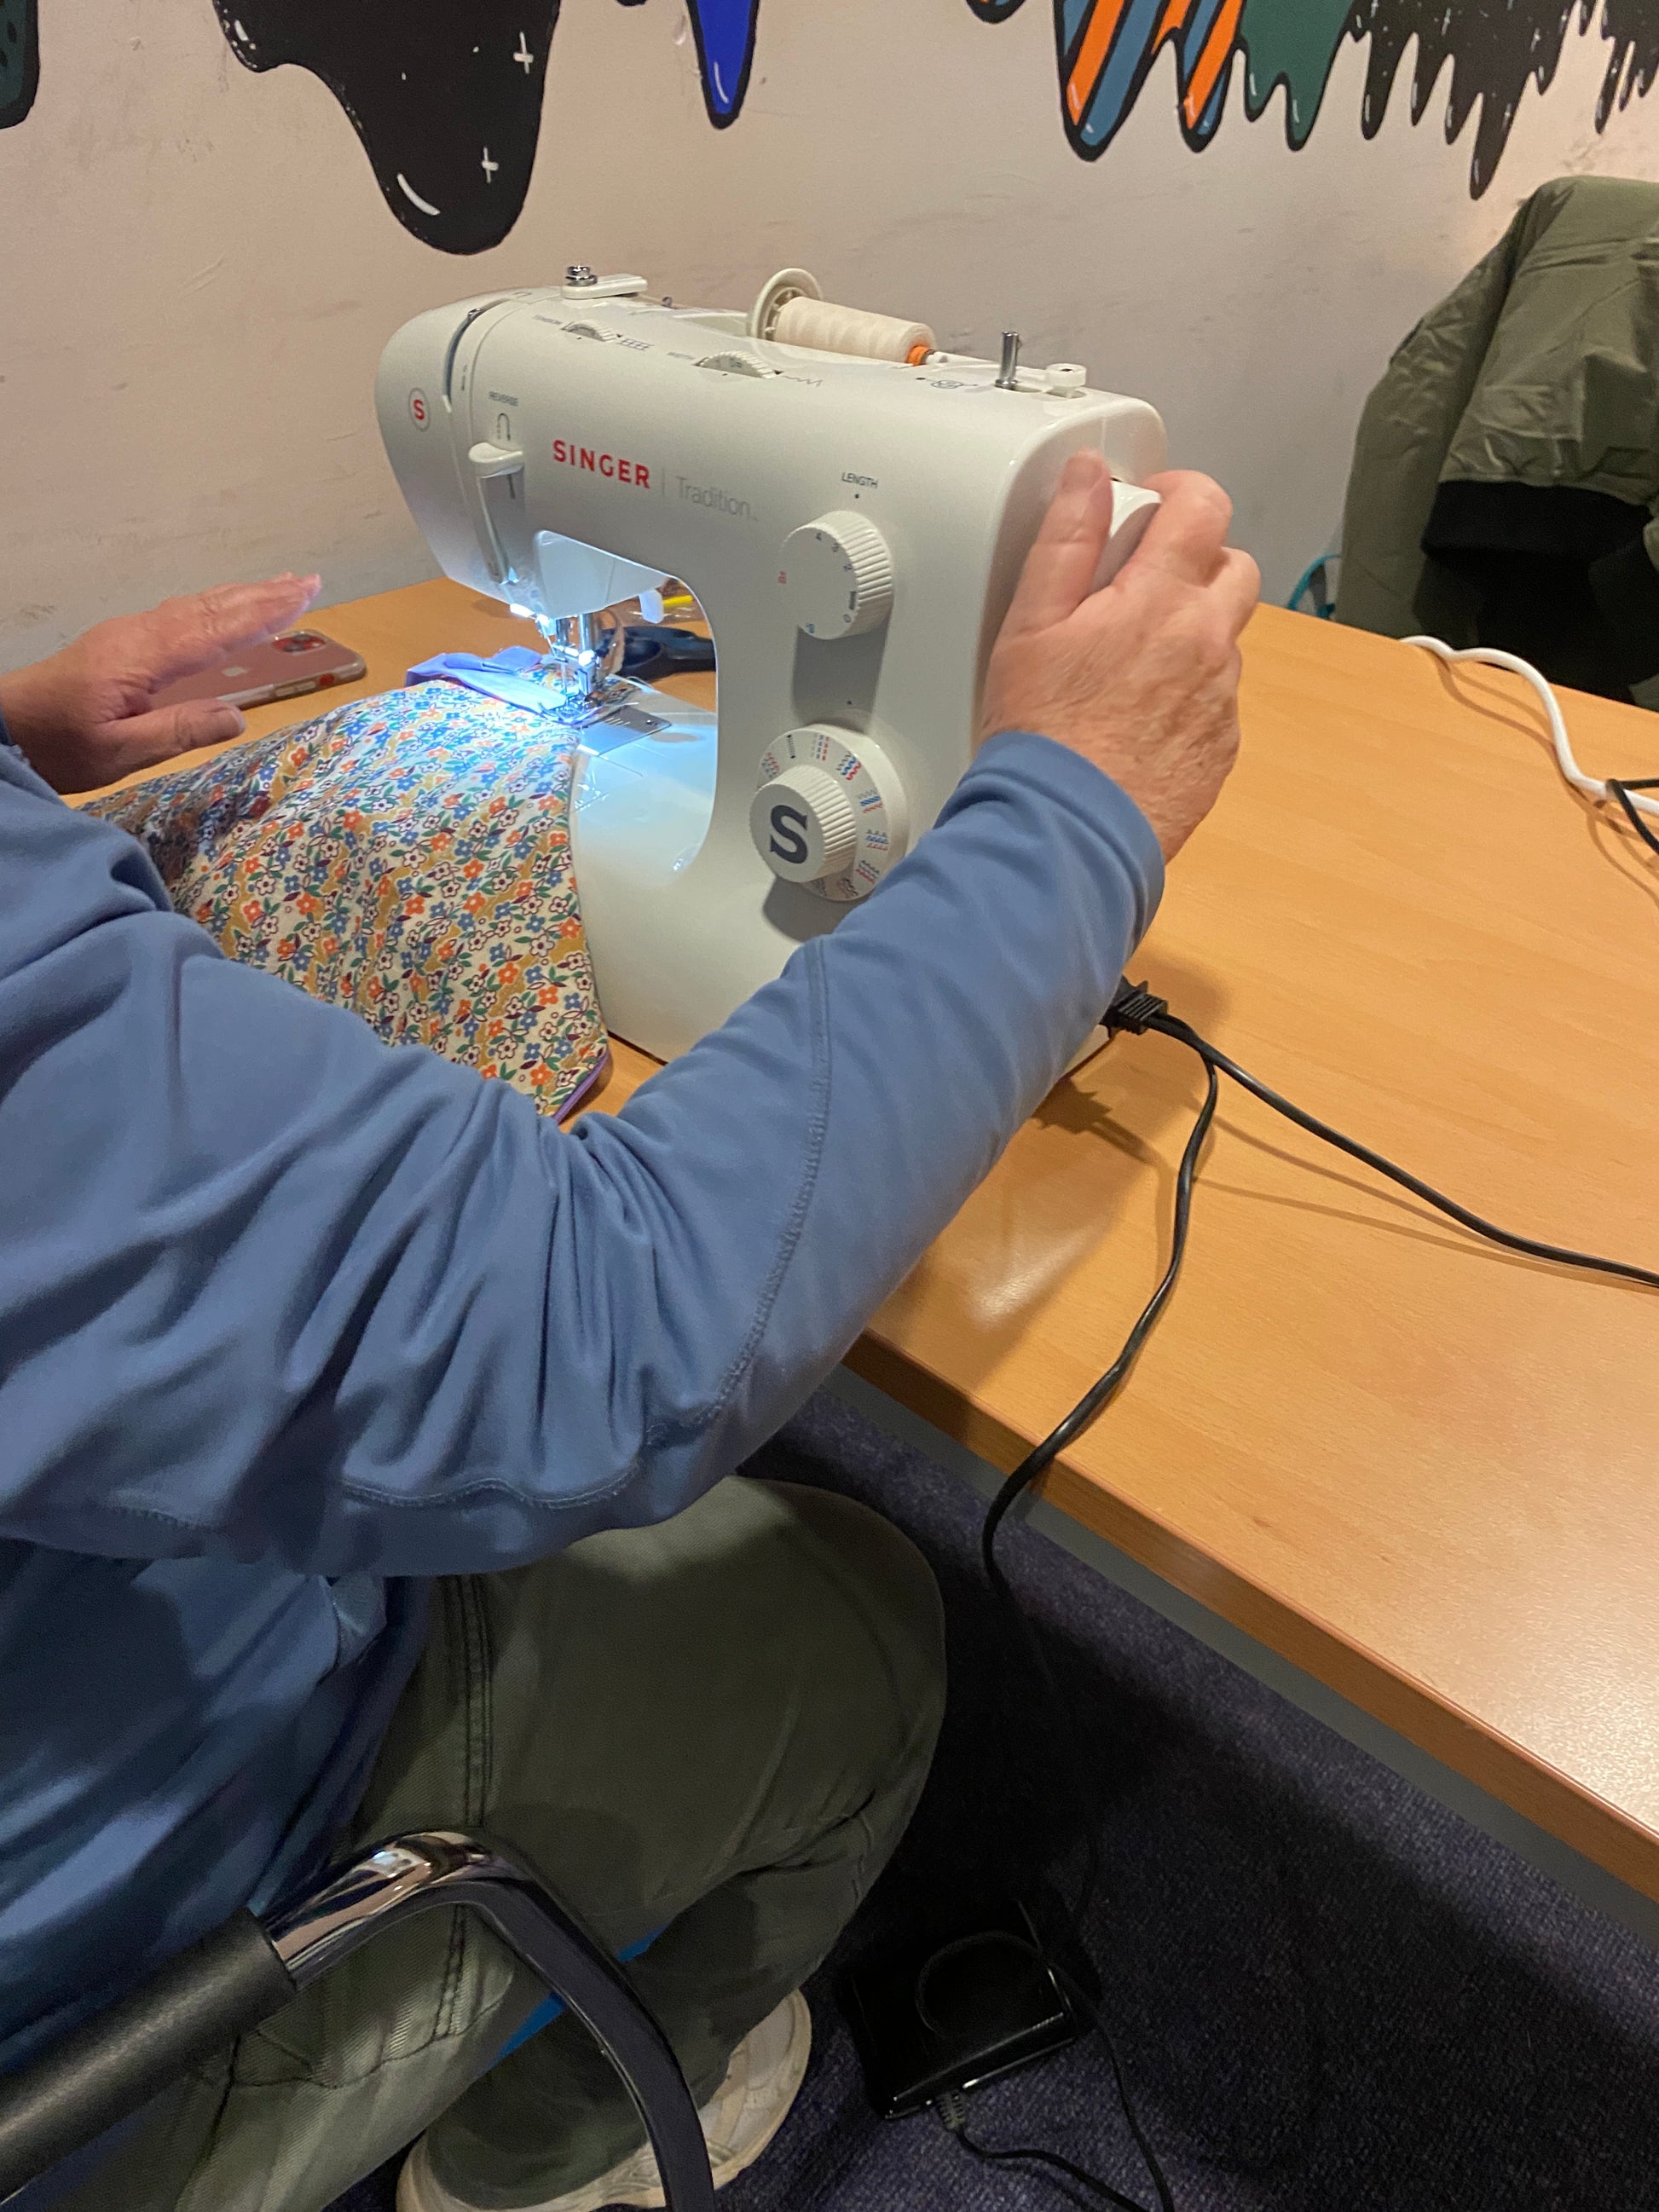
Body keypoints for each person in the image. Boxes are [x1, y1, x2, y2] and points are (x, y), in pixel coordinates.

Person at [0, 453, 1258, 2212]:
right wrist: (1076, 808)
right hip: (94, 2022)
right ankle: (535, 2159)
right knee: (860, 1614)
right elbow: (595, 1336)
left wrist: (15, 738)